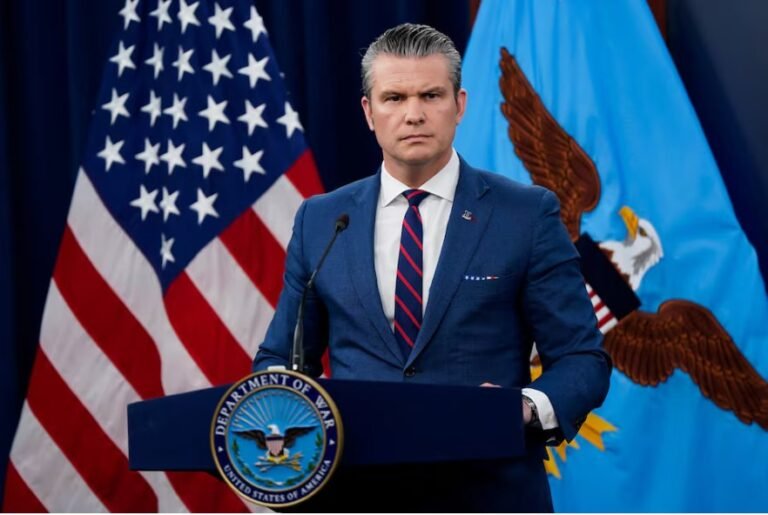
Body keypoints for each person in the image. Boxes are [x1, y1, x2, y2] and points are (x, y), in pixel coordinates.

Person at [254, 23, 611, 512]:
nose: (414, 114)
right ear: (369, 112)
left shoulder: (526, 215)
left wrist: (524, 407)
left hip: (489, 492)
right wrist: (284, 413)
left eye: (431, 95)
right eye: (394, 98)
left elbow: (582, 358)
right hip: (357, 495)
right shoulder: (321, 220)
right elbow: (282, 359)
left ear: (459, 105)